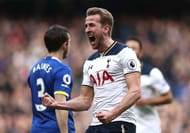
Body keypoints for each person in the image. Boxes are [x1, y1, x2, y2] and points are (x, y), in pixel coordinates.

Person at [42, 7, 141, 133]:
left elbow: (135, 91)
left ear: (106, 28)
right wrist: (57, 104)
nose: (87, 29)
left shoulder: (125, 53)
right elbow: (85, 100)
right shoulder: (90, 61)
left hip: (119, 122)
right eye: (86, 26)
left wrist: (112, 113)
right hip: (96, 125)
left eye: (92, 25)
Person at [28, 24, 76, 133]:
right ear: (65, 45)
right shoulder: (62, 70)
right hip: (55, 128)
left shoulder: (34, 68)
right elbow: (60, 105)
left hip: (37, 128)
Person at [125, 36, 173, 133]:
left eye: (133, 49)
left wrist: (145, 102)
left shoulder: (152, 73)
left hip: (148, 127)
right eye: (127, 49)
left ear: (141, 53)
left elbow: (168, 97)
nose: (129, 51)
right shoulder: (120, 75)